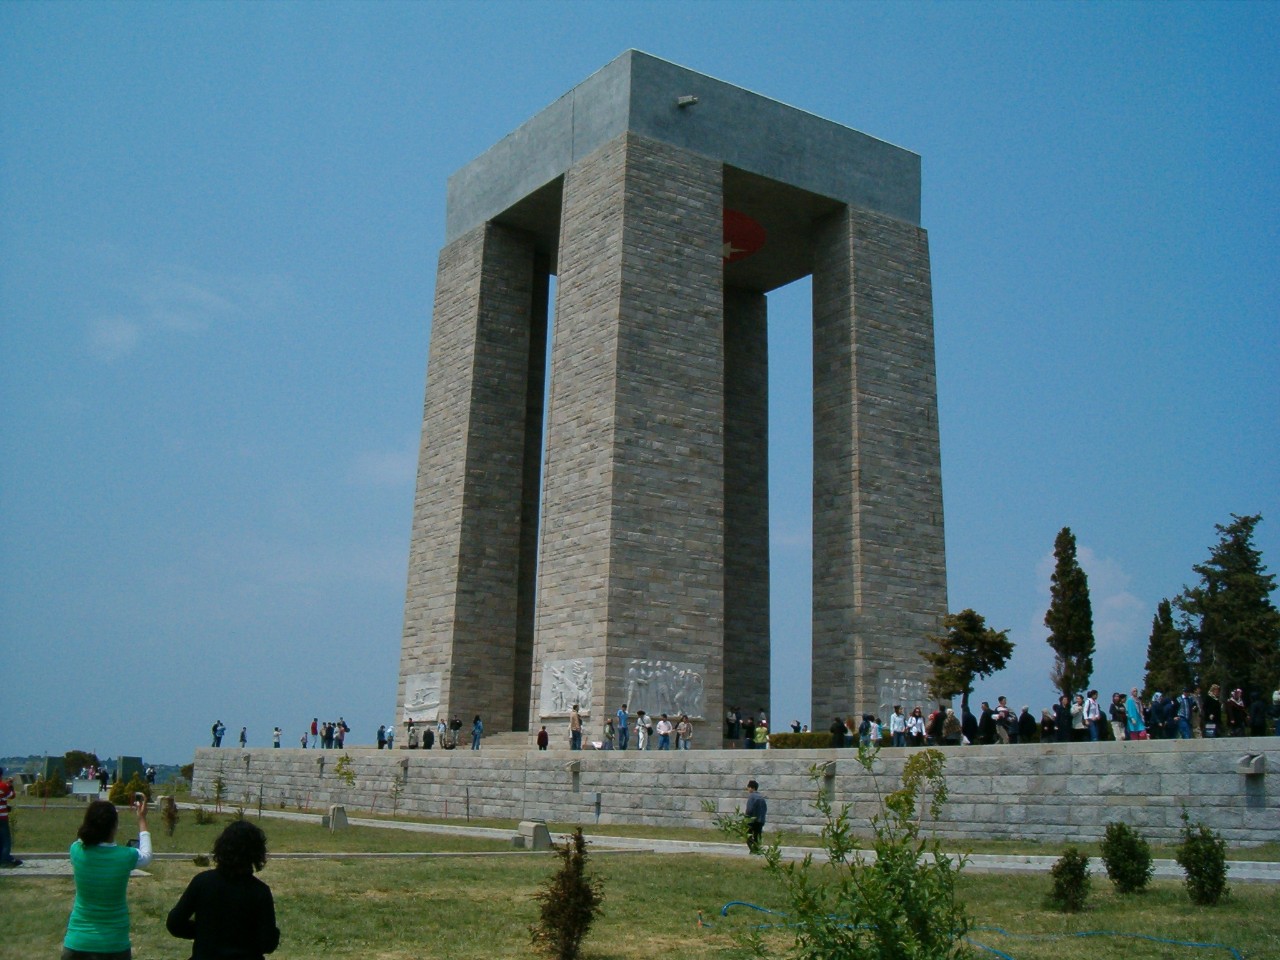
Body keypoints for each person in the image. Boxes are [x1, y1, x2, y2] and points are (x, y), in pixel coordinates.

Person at [167, 819, 279, 960]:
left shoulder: (202, 882)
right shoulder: (260, 892)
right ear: (257, 853)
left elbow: (175, 923)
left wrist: (204, 931)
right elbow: (268, 943)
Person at [62, 797, 152, 958]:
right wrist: (142, 819)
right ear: (114, 827)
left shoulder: (76, 851)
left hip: (77, 942)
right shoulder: (125, 856)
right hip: (114, 944)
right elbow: (146, 855)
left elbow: (82, 839)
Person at [0, 767, 20, 868]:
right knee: (5, 839)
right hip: (2, 817)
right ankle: (4, 859)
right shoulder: (2, 786)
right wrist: (10, 785)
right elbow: (11, 796)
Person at [744, 780, 767, 852]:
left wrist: (746, 819)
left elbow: (749, 809)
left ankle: (753, 850)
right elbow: (765, 809)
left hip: (752, 821)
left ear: (752, 788)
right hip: (760, 821)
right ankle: (757, 850)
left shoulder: (752, 797)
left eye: (748, 788)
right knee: (757, 837)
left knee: (748, 836)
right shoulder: (761, 797)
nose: (748, 789)